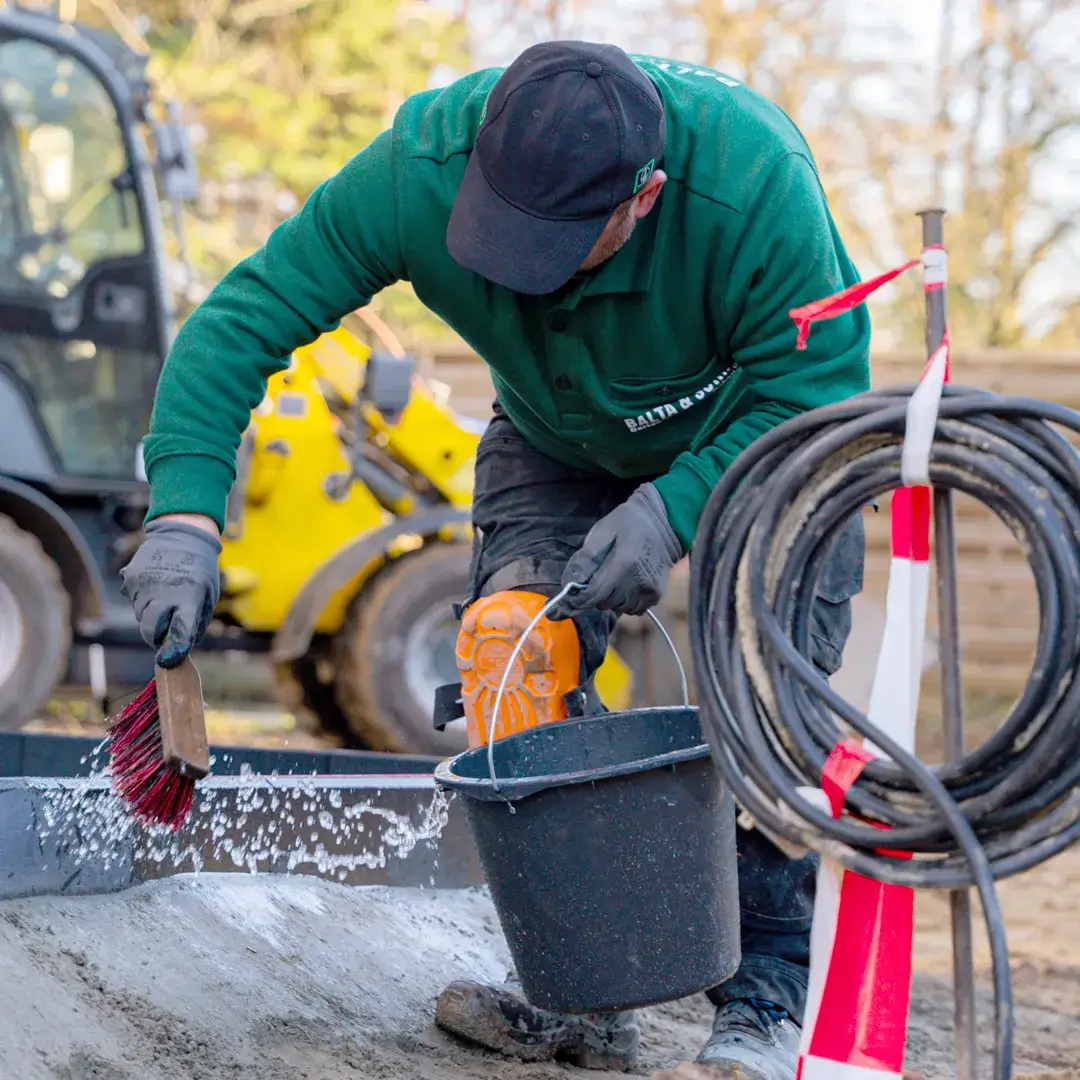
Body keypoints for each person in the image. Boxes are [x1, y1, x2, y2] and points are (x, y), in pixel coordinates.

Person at [119, 40, 869, 1080]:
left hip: (765, 440)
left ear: (643, 200)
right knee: (512, 649)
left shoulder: (752, 186)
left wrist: (674, 509)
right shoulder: (415, 169)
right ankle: (586, 993)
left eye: (562, 242)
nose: (523, 266)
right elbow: (243, 321)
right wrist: (185, 518)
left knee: (770, 701)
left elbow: (822, 388)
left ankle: (763, 998)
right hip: (555, 435)